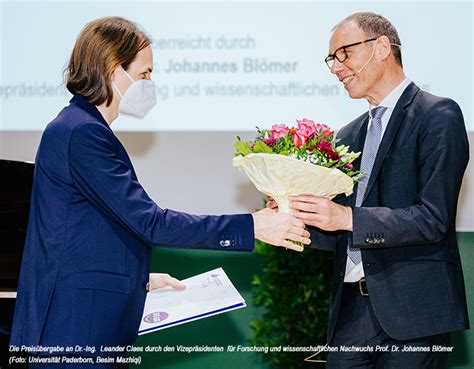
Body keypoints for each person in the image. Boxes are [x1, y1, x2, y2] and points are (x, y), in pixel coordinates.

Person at [10, 16, 310, 367]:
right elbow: (149, 222)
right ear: (112, 68)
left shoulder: (79, 127)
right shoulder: (83, 133)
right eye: (145, 73)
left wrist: (140, 279)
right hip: (77, 330)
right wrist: (254, 226)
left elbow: (86, 233)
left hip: (81, 325)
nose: (150, 83)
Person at [285, 12, 469, 369]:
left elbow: (433, 219)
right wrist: (297, 220)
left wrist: (345, 216)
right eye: (331, 59)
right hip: (351, 314)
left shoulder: (438, 114)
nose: (336, 68)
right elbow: (341, 230)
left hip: (414, 313)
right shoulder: (347, 136)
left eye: (344, 53)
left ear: (382, 47)